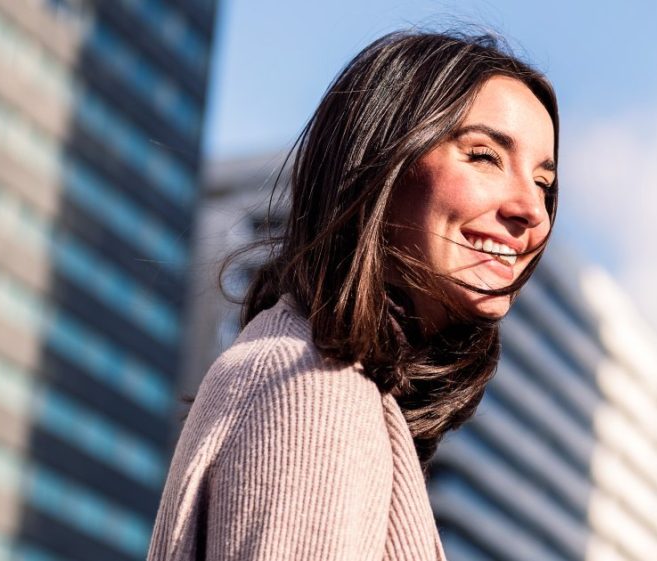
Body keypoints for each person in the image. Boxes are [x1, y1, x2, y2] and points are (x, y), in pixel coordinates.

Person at [146, 28, 559, 560]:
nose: (532, 211)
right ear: (382, 161)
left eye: (545, 184)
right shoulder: (315, 393)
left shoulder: (311, 373)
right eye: (484, 156)